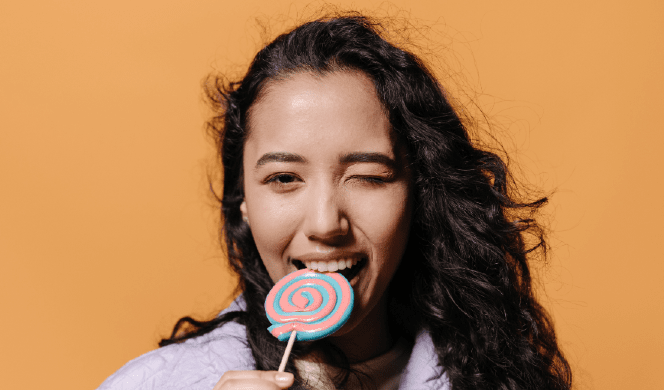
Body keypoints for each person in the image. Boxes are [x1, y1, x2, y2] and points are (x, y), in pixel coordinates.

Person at [98, 13, 572, 390]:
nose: (326, 224)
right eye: (284, 178)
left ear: (419, 196)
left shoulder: (502, 376)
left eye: (367, 177)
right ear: (244, 201)